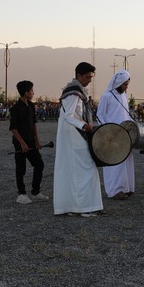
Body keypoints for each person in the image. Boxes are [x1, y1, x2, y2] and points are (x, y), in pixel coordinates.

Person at [53, 62, 103, 217]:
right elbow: (69, 116)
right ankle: (83, 207)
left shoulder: (77, 91)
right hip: (74, 134)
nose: (90, 80)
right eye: (87, 77)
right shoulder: (73, 92)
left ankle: (78, 206)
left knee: (78, 170)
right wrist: (84, 126)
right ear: (79, 75)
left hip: (75, 133)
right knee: (85, 169)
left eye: (91, 77)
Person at [97, 69, 135, 201]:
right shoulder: (106, 96)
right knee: (114, 164)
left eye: (127, 84)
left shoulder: (124, 96)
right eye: (125, 84)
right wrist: (107, 132)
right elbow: (100, 116)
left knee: (126, 162)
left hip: (125, 134)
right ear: (118, 83)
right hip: (112, 136)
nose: (126, 87)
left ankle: (126, 188)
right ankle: (114, 191)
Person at [9, 80, 48, 204]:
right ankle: (21, 194)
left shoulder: (31, 106)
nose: (33, 93)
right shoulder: (15, 108)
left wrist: (37, 140)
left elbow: (34, 124)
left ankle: (35, 192)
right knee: (21, 169)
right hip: (20, 142)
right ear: (26, 93)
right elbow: (13, 128)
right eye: (31, 91)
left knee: (39, 165)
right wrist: (22, 143)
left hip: (31, 141)